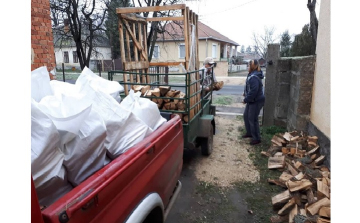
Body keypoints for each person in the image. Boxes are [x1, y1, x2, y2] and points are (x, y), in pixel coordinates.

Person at [242, 59, 265, 145]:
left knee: (253, 119)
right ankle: (249, 133)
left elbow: (254, 91)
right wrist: (245, 93)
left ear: (252, 67)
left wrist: (246, 99)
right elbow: (250, 87)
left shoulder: (254, 77)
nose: (247, 67)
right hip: (252, 100)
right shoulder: (252, 74)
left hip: (256, 101)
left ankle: (256, 138)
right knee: (246, 116)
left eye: (249, 65)